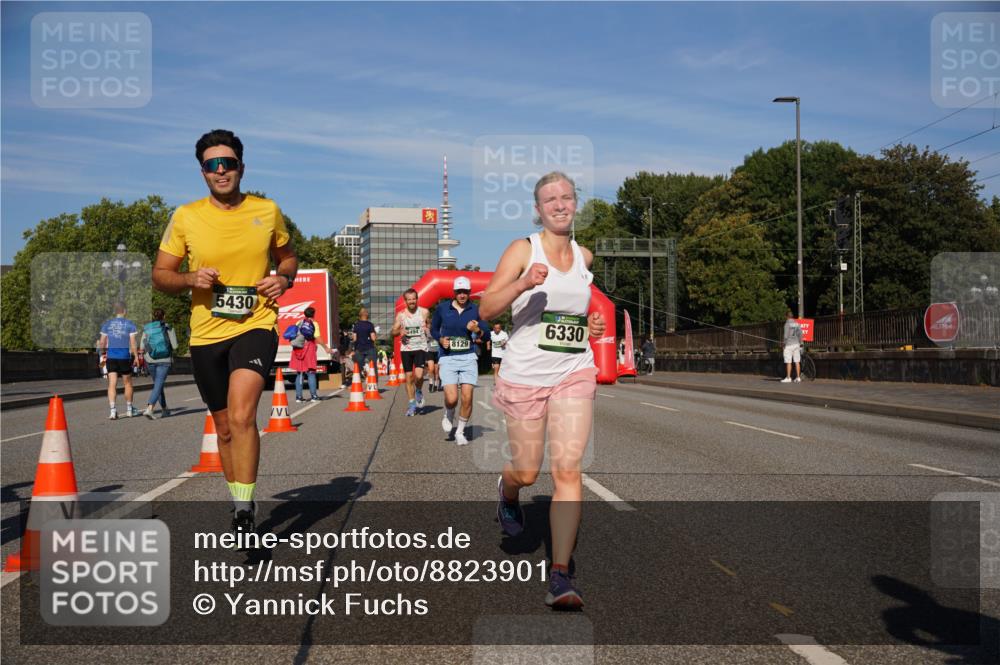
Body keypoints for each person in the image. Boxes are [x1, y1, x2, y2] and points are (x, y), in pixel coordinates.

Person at [152, 128, 297, 540]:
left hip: (256, 324)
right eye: (212, 165)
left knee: (242, 415)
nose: (220, 170)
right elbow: (160, 275)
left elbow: (287, 257)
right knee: (224, 428)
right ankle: (238, 499)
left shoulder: (266, 210)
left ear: (241, 168)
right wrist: (190, 278)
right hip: (206, 334)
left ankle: (245, 511)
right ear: (202, 172)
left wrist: (283, 279)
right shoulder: (186, 216)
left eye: (227, 163)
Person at [479, 171, 606, 610]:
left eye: (566, 197)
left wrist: (591, 325)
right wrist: (522, 283)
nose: (559, 204)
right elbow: (487, 308)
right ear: (538, 209)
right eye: (550, 199)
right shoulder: (522, 249)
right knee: (528, 472)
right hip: (526, 375)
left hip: (574, 370)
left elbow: (576, 314)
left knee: (568, 470)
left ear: (576, 204)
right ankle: (508, 491)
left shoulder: (584, 257)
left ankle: (560, 574)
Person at [431, 276, 489, 446]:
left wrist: (477, 329)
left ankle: (460, 431)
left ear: (469, 292)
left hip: (468, 357)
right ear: (454, 292)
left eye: (465, 292)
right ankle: (449, 413)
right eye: (459, 292)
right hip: (448, 356)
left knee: (467, 397)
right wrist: (440, 339)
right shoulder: (443, 308)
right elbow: (433, 329)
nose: (462, 295)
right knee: (452, 399)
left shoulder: (476, 310)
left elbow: (486, 334)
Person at [392, 288, 430, 416]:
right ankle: (412, 404)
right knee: (408, 377)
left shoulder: (424, 312)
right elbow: (393, 332)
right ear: (405, 301)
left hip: (420, 347)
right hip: (406, 349)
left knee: (418, 376)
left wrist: (427, 329)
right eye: (409, 299)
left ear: (417, 299)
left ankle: (418, 390)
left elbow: (429, 325)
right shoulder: (401, 315)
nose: (412, 301)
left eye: (414, 299)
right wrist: (400, 331)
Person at [99, 302, 140, 419]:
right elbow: (133, 343)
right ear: (125, 310)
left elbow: (102, 342)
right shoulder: (129, 324)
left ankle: (113, 411)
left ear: (115, 311)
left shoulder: (107, 324)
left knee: (112, 384)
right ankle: (129, 410)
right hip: (124, 357)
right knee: (128, 384)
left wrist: (102, 353)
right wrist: (136, 356)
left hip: (111, 357)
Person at [139, 308, 179, 419]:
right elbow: (175, 346)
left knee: (158, 385)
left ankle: (165, 409)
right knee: (159, 384)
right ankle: (150, 408)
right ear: (164, 316)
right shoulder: (168, 327)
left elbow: (142, 346)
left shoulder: (147, 328)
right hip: (164, 360)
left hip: (150, 359)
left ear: (153, 316)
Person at [290, 306, 333, 403]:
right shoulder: (314, 323)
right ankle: (314, 396)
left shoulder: (299, 322)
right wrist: (326, 348)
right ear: (313, 314)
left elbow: (294, 335)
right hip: (309, 348)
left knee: (299, 372)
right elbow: (317, 336)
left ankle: (298, 397)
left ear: (304, 314)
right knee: (311, 372)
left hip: (298, 348)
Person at [351, 308, 378, 376]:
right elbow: (373, 338)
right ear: (367, 315)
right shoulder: (370, 325)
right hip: (370, 348)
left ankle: (360, 379)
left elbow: (354, 339)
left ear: (360, 315)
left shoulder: (356, 325)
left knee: (359, 368)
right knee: (373, 367)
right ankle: (374, 381)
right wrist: (375, 335)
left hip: (359, 348)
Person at [782, 309, 803, 383]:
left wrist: (783, 344)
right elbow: (800, 334)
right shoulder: (797, 323)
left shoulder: (787, 324)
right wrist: (801, 342)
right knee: (797, 361)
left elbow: (785, 336)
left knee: (788, 361)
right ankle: (798, 377)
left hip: (789, 345)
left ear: (787, 316)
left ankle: (788, 377)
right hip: (796, 344)